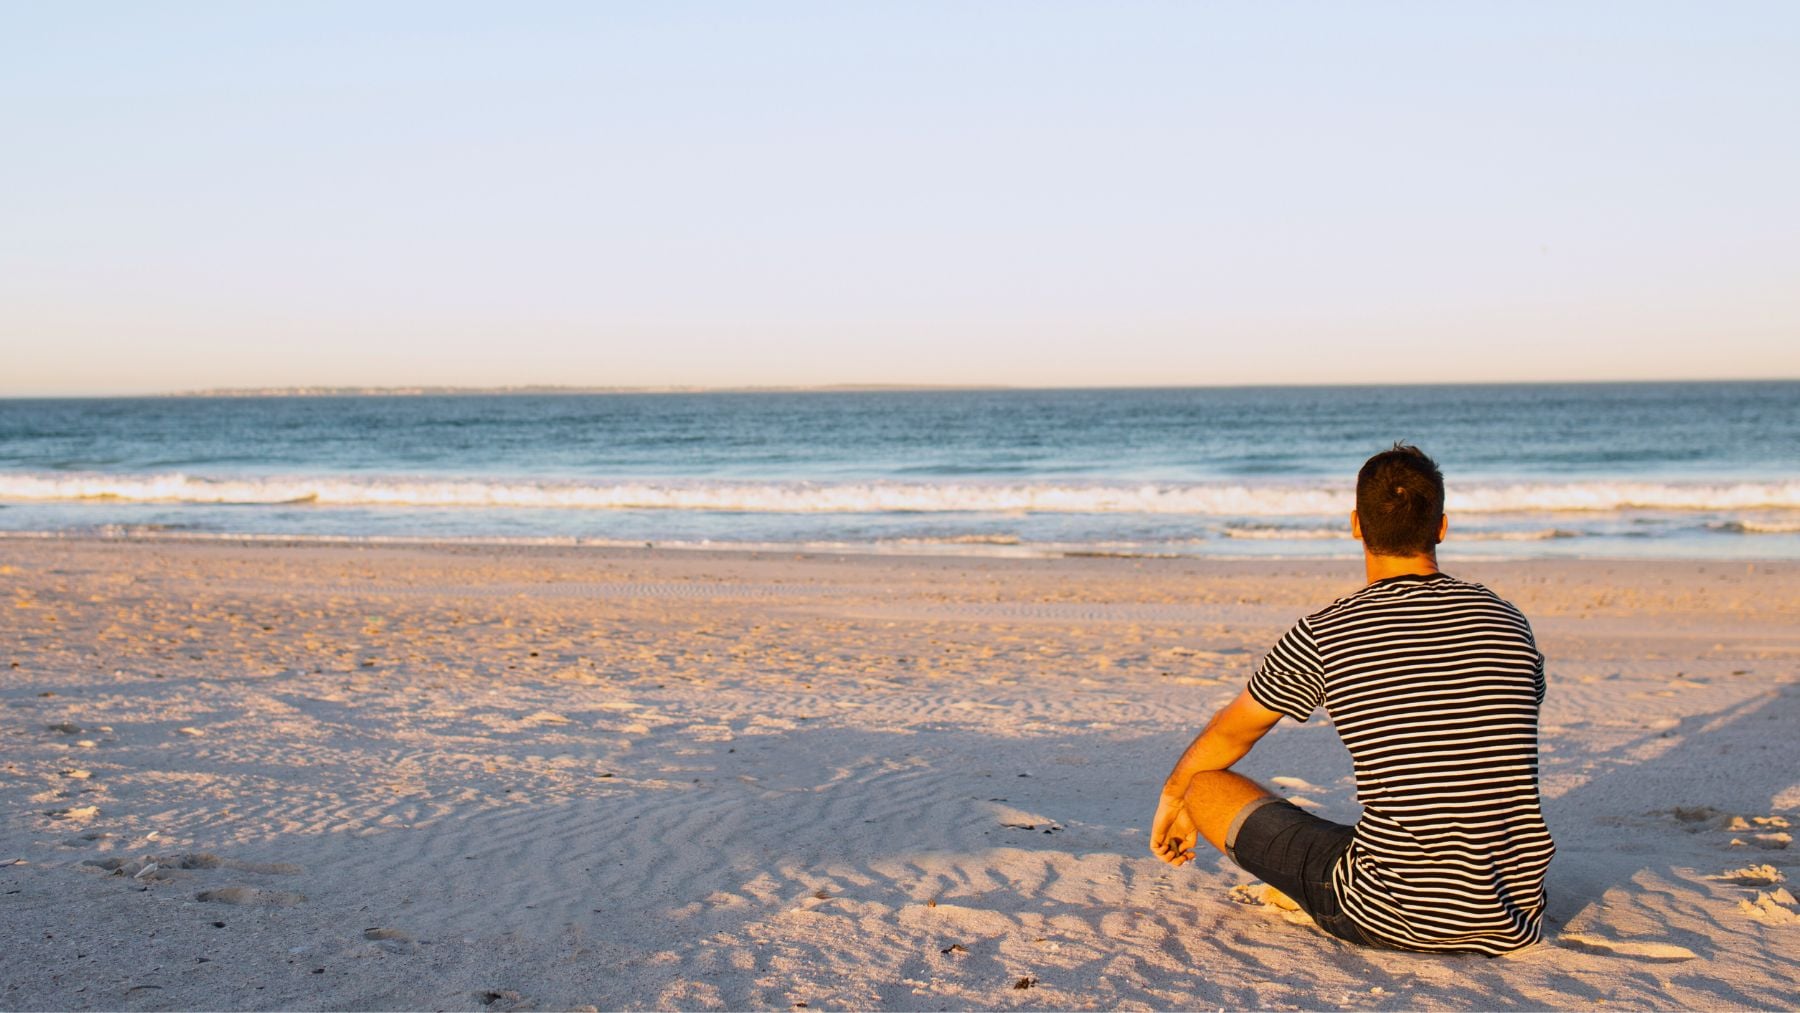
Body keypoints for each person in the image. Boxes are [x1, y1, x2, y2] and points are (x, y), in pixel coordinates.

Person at [1150, 443, 1553, 955]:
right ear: (1441, 527)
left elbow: (1230, 732)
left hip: (1388, 913)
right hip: (1513, 909)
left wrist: (1176, 796)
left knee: (1205, 785)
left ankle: (1316, 892)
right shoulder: (1506, 619)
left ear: (1356, 525)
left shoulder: (1327, 631)